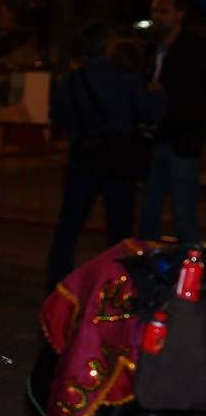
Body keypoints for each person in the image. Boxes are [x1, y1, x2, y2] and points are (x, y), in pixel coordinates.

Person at [45, 23, 160, 290]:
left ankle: (57, 283)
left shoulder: (72, 80)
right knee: (119, 230)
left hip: (82, 158)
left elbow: (57, 116)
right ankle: (118, 285)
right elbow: (147, 112)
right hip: (116, 159)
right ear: (109, 46)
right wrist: (157, 96)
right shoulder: (123, 76)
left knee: (69, 226)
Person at [138, 0, 206, 243]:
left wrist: (166, 91)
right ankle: (149, 262)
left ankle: (190, 267)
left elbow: (195, 91)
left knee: (182, 206)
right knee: (150, 205)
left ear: (179, 14)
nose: (157, 16)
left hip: (182, 135)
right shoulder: (152, 46)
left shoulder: (194, 48)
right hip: (155, 134)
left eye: (164, 11)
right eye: (155, 10)